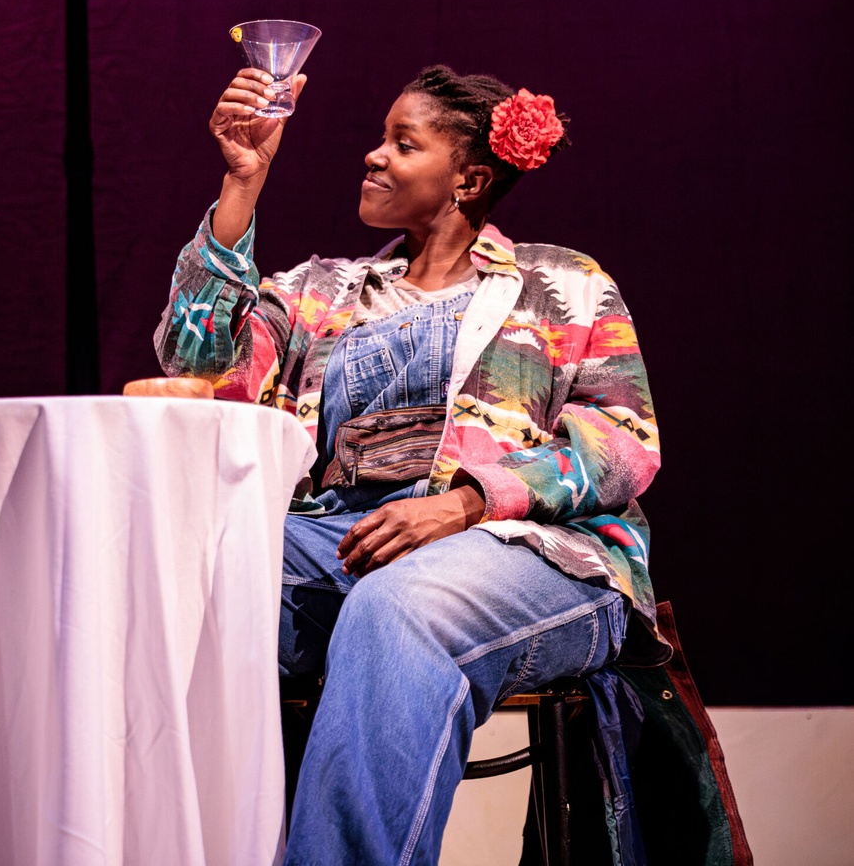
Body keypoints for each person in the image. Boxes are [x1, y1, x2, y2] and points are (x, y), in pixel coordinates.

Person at [155, 64, 670, 863]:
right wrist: (240, 186)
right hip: (341, 538)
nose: (372, 155)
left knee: (399, 602)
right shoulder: (319, 292)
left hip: (530, 553)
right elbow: (195, 365)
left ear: (467, 178)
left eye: (402, 142)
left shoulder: (561, 284)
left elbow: (623, 441)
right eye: (380, 138)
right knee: (173, 575)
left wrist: (466, 502)